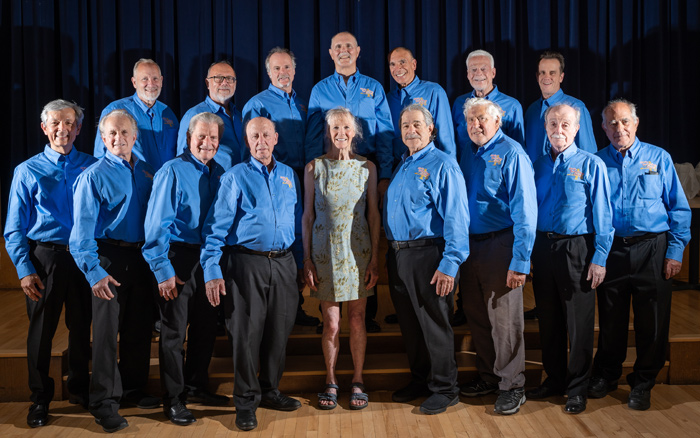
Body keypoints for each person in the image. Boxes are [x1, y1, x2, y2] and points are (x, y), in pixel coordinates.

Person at [201, 117, 303, 431]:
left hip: (284, 263)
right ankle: (246, 400)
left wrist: (300, 265)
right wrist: (211, 270)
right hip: (246, 264)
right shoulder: (234, 177)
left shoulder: (289, 175)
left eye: (265, 135)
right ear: (248, 141)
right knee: (246, 334)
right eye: (254, 136)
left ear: (275, 139)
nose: (260, 141)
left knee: (279, 330)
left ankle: (271, 389)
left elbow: (297, 224)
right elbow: (215, 229)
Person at [589, 99, 691, 410]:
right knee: (611, 320)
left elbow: (679, 208)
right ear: (604, 129)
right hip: (612, 249)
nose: (619, 129)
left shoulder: (659, 158)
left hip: (653, 250)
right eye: (612, 124)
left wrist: (674, 251)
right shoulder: (595, 162)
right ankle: (606, 374)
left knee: (653, 320)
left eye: (624, 122)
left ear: (635, 123)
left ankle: (644, 380)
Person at [4, 99, 96, 428]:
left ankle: (81, 391)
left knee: (82, 327)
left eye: (70, 123)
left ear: (79, 129)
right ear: (45, 128)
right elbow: (14, 228)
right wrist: (25, 269)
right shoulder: (27, 171)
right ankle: (40, 398)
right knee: (41, 333)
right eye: (56, 123)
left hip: (86, 257)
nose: (63, 129)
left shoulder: (93, 165)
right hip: (46, 257)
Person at [70, 109, 158, 433]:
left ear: (135, 137)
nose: (118, 138)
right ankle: (104, 403)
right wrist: (95, 272)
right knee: (106, 336)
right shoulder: (92, 177)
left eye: (124, 133)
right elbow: (79, 236)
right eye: (112, 134)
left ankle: (133, 389)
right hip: (107, 258)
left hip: (141, 258)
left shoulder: (148, 172)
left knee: (138, 328)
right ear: (103, 139)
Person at [142, 113, 230, 426]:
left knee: (206, 328)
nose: (208, 143)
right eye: (201, 137)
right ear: (189, 138)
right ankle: (174, 398)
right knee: (174, 332)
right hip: (176, 257)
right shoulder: (172, 171)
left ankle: (196, 387)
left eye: (214, 138)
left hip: (208, 259)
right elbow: (156, 226)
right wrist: (162, 268)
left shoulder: (221, 172)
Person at [526, 103, 614, 415]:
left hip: (578, 249)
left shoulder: (591, 164)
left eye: (565, 124)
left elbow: (604, 215)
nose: (558, 130)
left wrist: (600, 257)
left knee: (578, 324)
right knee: (548, 319)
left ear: (576, 129)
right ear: (546, 128)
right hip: (543, 247)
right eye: (553, 124)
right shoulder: (535, 165)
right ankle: (555, 380)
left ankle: (577, 388)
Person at [385, 104, 469, 415]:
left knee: (434, 325)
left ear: (430, 129)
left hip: (429, 255)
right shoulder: (404, 164)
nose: (411, 130)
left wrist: (450, 263)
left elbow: (457, 219)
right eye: (405, 125)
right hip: (399, 255)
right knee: (411, 325)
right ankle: (421, 380)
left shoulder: (442, 164)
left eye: (417, 124)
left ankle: (446, 389)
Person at [305, 31, 392, 332]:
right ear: (331, 53)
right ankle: (327, 309)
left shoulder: (374, 88)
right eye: (338, 47)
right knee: (327, 235)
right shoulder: (319, 90)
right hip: (329, 170)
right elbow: (314, 134)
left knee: (365, 235)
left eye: (349, 47)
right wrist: (313, 173)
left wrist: (386, 174)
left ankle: (365, 313)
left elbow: (386, 133)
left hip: (365, 170)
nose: (344, 51)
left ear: (358, 51)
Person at [457, 98, 537, 415]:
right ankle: (490, 377)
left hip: (501, 245)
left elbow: (526, 213)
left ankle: (513, 385)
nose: (476, 125)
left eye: (481, 119)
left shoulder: (512, 153)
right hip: (471, 246)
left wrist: (520, 261)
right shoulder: (468, 153)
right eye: (471, 120)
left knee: (505, 322)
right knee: (477, 315)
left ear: (497, 121)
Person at [302, 108, 380, 410]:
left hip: (358, 253)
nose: (341, 133)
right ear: (328, 132)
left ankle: (358, 379)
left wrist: (374, 258)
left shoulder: (367, 168)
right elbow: (307, 216)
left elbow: (373, 214)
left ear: (355, 131)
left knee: (358, 319)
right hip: (325, 253)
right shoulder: (314, 168)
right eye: (335, 128)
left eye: (346, 127)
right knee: (332, 323)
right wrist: (306, 259)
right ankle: (331, 379)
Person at [242, 47, 319, 328]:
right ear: (269, 73)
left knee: (300, 233)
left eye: (287, 68)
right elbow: (250, 146)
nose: (282, 73)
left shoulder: (302, 104)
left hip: (301, 176)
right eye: (276, 69)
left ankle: (294, 305)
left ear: (295, 72)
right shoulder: (257, 103)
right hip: (272, 177)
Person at [450, 49, 525, 326]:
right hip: (468, 190)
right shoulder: (459, 102)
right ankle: (463, 308)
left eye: (483, 68)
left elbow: (516, 151)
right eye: (472, 69)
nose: (478, 73)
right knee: (471, 290)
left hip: (497, 203)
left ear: (493, 72)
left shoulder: (512, 106)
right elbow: (457, 146)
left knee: (500, 306)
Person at [94, 58, 179, 171]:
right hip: (131, 184)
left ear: (161, 80)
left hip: (165, 184)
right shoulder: (115, 110)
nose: (151, 83)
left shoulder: (168, 112)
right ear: (134, 82)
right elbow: (100, 156)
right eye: (145, 79)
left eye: (155, 78)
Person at [524, 51, 597, 164]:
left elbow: (589, 154)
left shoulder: (576, 107)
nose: (546, 77)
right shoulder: (531, 111)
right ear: (537, 77)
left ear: (561, 77)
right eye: (542, 73)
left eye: (552, 73)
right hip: (535, 178)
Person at [387, 46, 455, 165]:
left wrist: (450, 168)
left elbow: (446, 139)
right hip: (397, 168)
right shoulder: (388, 98)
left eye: (402, 62)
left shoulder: (434, 91)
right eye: (393, 64)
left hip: (428, 165)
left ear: (414, 64)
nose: (397, 68)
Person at [178, 60, 245, 171]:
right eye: (218, 78)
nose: (224, 83)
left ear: (235, 83)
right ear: (208, 83)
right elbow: (183, 158)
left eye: (229, 78)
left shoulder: (239, 116)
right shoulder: (195, 114)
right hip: (211, 184)